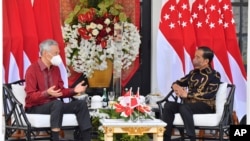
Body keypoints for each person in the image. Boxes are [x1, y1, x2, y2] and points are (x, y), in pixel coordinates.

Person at [24, 39, 92, 141]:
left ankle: (86, 138)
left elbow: (61, 91)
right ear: (46, 54)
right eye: (56, 53)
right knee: (56, 103)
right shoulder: (32, 70)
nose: (58, 56)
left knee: (81, 104)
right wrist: (46, 93)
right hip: (36, 106)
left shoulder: (56, 69)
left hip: (56, 106)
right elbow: (30, 97)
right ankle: (55, 138)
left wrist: (74, 90)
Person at [162, 46, 221, 141]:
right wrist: (176, 86)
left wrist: (188, 95)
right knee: (168, 105)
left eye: (198, 57)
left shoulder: (214, 75)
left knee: (184, 107)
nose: (194, 59)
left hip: (206, 105)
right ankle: (165, 138)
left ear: (206, 61)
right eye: (194, 56)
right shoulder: (193, 73)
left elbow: (210, 94)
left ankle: (191, 138)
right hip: (189, 105)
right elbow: (178, 82)